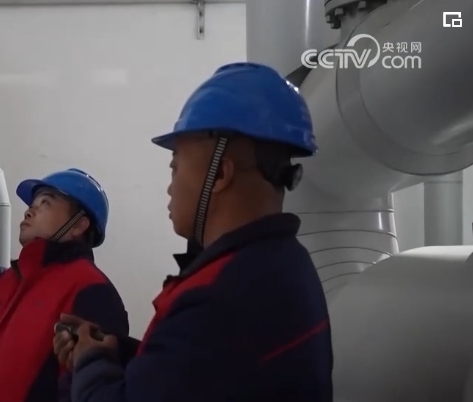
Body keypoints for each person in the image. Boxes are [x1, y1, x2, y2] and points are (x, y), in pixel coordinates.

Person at [53, 62, 334, 401]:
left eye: (175, 167)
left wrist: (90, 362)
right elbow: (201, 375)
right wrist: (120, 352)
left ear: (220, 174)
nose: (170, 187)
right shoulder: (285, 264)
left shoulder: (219, 295)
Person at [0, 166, 130, 402]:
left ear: (79, 225)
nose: (29, 211)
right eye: (32, 204)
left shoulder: (93, 292)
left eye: (45, 203)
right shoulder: (13, 280)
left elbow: (92, 390)